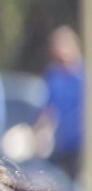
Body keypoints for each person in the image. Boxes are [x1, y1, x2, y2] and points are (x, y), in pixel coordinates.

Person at [39, 25, 84, 180]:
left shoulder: (84, 75)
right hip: (61, 143)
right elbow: (48, 108)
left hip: (81, 143)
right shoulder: (53, 75)